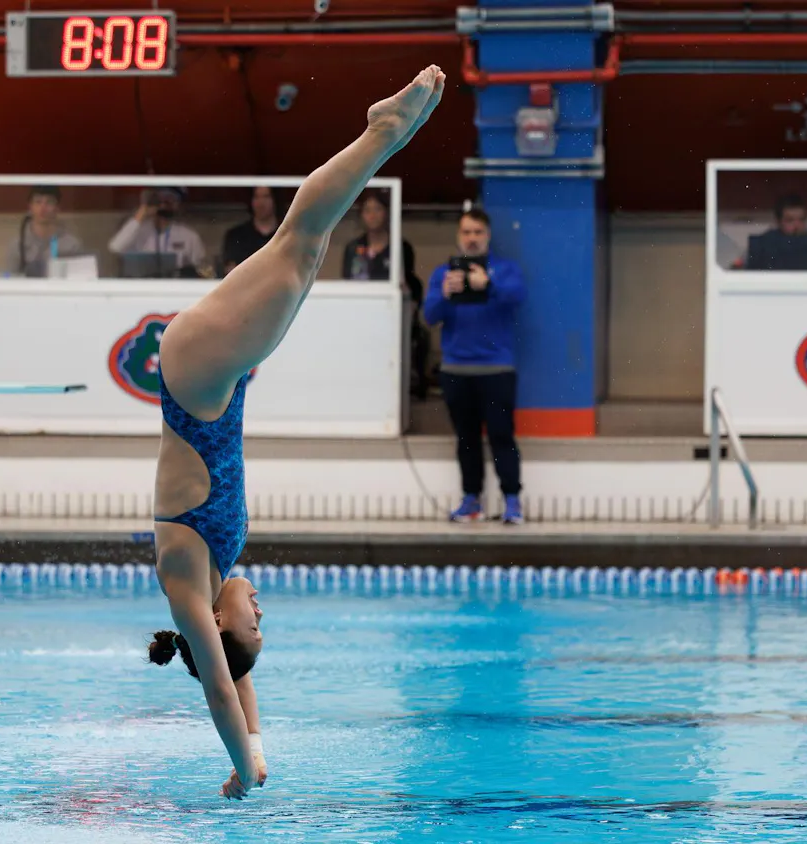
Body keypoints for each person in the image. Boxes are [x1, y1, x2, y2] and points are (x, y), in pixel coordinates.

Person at [145, 65, 446, 800]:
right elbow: (240, 678)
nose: (261, 614)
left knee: (299, 241)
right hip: (221, 383)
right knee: (304, 252)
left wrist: (244, 770)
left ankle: (381, 132)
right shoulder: (215, 576)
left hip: (196, 379)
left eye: (254, 626)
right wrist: (254, 743)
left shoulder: (185, 576)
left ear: (218, 623)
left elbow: (220, 684)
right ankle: (380, 140)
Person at [422, 208, 528, 525]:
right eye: (466, 232)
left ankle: (512, 500)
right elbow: (429, 316)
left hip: (495, 370)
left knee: (501, 435)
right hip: (457, 371)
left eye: (477, 232)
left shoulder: (504, 270)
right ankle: (472, 499)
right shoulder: (444, 274)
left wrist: (488, 286)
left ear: (488, 235)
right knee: (466, 439)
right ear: (458, 236)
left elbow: (517, 296)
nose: (472, 238)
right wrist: (444, 295)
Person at [339, 190, 430, 396]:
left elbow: (409, 283)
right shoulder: (353, 248)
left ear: (387, 213)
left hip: (390, 316)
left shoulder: (400, 247)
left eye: (377, 209)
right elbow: (346, 284)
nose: (372, 215)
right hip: (360, 316)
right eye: (367, 210)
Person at [107, 186, 207, 276]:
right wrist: (142, 213)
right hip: (143, 287)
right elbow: (115, 247)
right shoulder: (138, 230)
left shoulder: (189, 235)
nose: (164, 203)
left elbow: (201, 268)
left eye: (171, 199)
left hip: (175, 289)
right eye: (161, 198)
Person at [1, 185, 87, 278]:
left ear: (57, 208)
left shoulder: (72, 245)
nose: (43, 208)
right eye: (38, 202)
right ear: (30, 207)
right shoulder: (17, 245)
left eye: (49, 202)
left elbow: (80, 282)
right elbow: (7, 278)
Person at [220, 186, 281, 274]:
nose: (261, 203)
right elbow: (230, 273)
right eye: (256, 197)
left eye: (266, 197)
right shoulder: (235, 235)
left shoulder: (286, 234)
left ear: (275, 200)